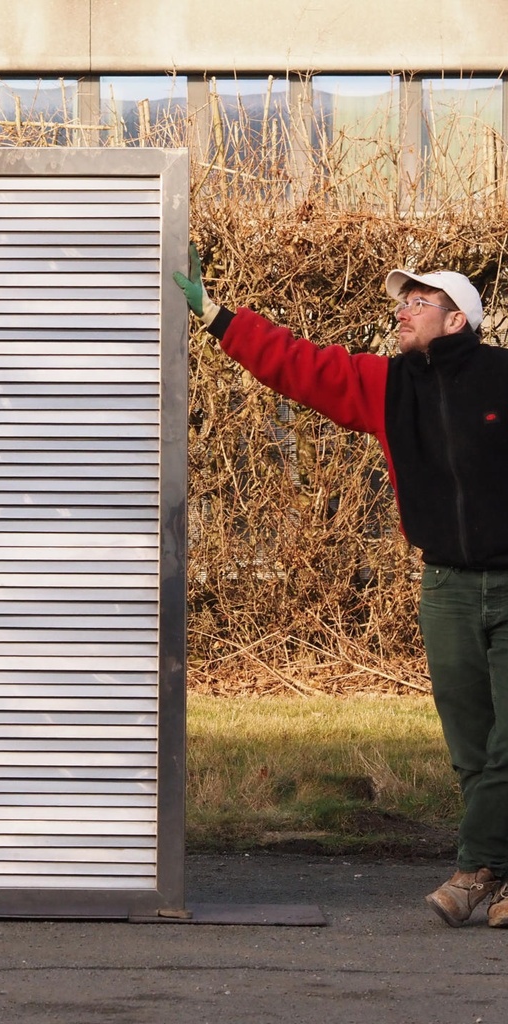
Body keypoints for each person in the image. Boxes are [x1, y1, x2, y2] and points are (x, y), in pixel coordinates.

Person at [175, 243, 508, 929]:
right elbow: (298, 366)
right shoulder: (386, 386)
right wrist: (218, 318)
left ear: (458, 321)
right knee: (471, 745)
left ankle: (474, 868)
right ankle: (497, 881)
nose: (401, 311)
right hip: (444, 587)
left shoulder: (503, 377)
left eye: (418, 302)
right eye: (401, 301)